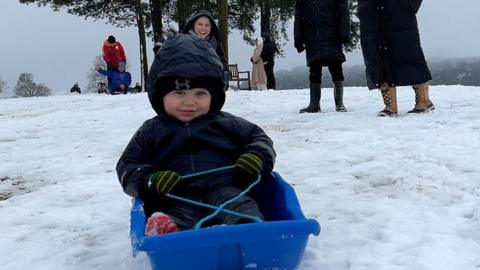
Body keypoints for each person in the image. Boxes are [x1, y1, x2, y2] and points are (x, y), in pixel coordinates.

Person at [116, 33, 276, 234]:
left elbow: (258, 139)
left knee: (241, 209)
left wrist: (257, 157)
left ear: (214, 95)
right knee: (174, 217)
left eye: (200, 94)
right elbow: (128, 165)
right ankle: (169, 237)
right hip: (176, 197)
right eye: (179, 93)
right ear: (160, 95)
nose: (189, 102)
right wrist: (151, 180)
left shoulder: (225, 123)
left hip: (226, 190)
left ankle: (249, 234)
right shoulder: (152, 130)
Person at [358, 0, 434, 116]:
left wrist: (409, 5)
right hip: (371, 15)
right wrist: (363, 6)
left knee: (409, 55)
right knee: (378, 57)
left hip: (400, 15)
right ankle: (390, 105)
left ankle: (423, 100)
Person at [294, 0, 350, 113]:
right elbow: (298, 17)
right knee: (314, 70)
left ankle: (339, 103)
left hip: (332, 35)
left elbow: (344, 12)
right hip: (312, 37)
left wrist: (344, 34)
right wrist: (298, 39)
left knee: (336, 69)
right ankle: (314, 104)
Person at [182, 10, 230, 87]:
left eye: (207, 25)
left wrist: (224, 78)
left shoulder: (215, 42)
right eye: (200, 24)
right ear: (193, 25)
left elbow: (223, 63)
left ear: (211, 27)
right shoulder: (182, 41)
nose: (203, 28)